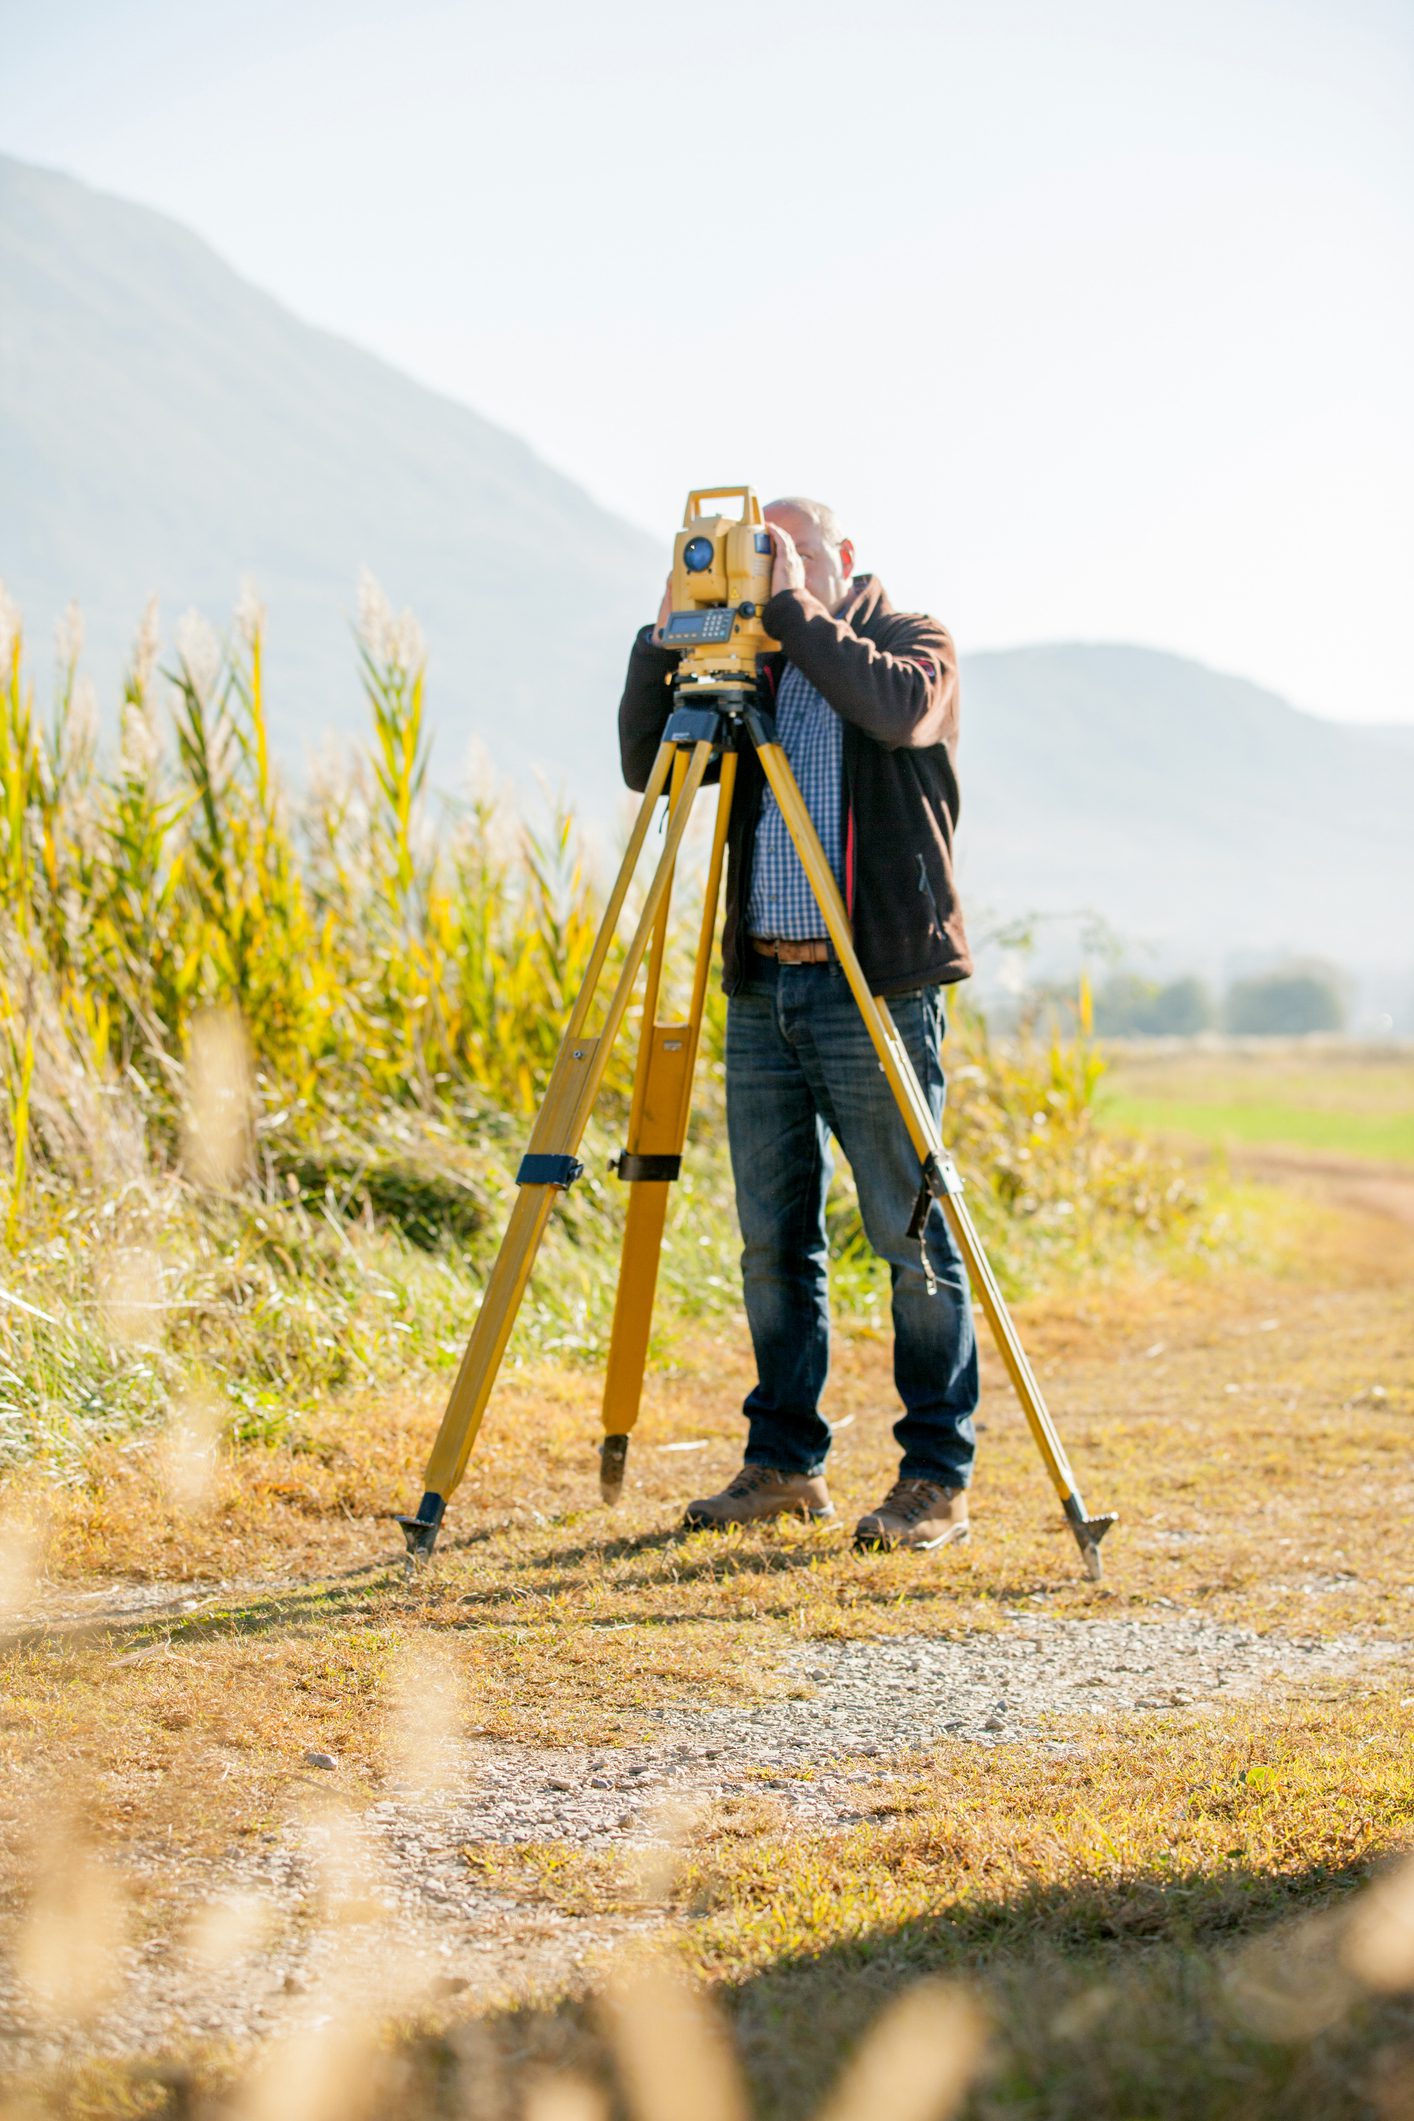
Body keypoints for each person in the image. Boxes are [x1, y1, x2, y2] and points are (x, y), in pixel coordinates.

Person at [616, 498, 977, 1552]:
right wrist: (663, 636)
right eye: (749, 553)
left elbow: (893, 708)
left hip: (876, 988)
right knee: (773, 1244)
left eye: (785, 549)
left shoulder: (912, 642)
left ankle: (933, 1481)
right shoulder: (747, 670)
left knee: (908, 1239)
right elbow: (648, 763)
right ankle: (783, 1466)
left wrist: (792, 612)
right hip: (763, 986)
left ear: (842, 557)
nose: (766, 570)